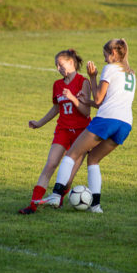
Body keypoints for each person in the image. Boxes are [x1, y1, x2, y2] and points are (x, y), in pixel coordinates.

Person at [35, 38, 136, 213]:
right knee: (93, 159)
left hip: (106, 120)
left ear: (113, 54)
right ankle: (96, 206)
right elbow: (101, 101)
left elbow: (98, 99)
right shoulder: (131, 73)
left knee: (72, 153)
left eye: (105, 55)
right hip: (125, 124)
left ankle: (56, 195)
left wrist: (93, 77)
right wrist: (87, 101)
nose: (104, 59)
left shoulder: (110, 68)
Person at [19, 49, 91, 214]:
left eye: (61, 64)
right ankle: (33, 205)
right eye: (56, 65)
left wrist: (73, 97)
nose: (58, 68)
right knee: (50, 164)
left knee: (67, 178)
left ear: (71, 63)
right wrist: (39, 123)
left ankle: (58, 200)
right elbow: (56, 108)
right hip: (63, 130)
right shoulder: (57, 85)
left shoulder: (83, 82)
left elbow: (86, 112)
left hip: (82, 133)